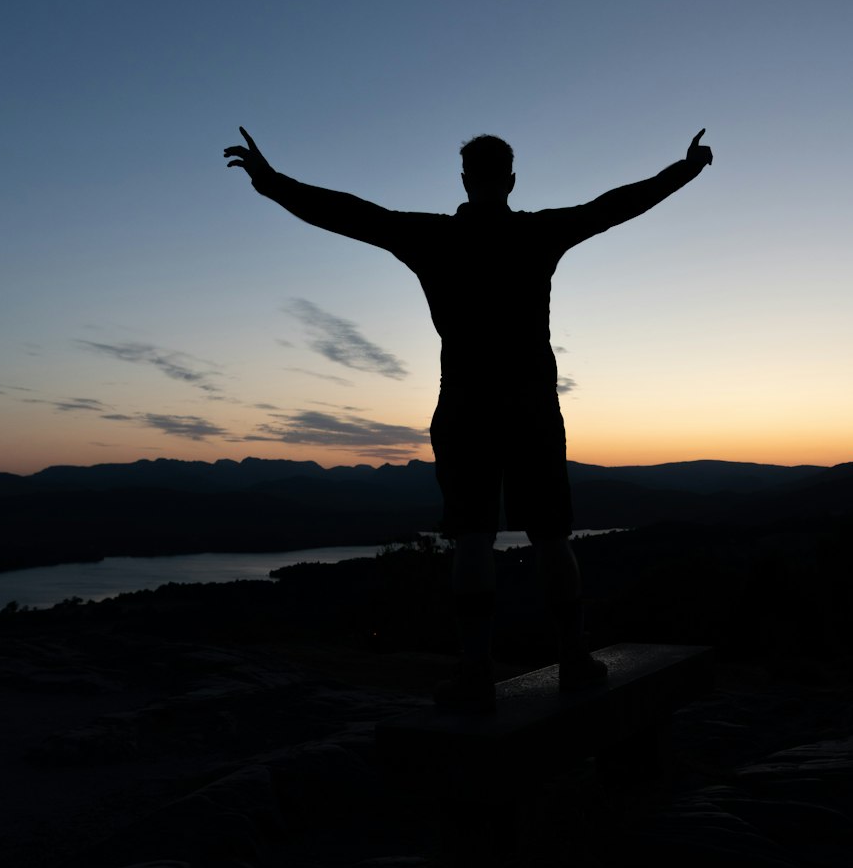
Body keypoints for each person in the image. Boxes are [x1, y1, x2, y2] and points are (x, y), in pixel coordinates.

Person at [225, 125, 713, 710]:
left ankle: (476, 672)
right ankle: (575, 659)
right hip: (532, 406)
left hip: (463, 405)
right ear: (510, 180)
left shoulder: (431, 237)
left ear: (463, 180)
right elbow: (613, 207)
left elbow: (349, 214)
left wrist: (270, 182)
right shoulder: (538, 233)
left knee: (473, 540)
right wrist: (683, 171)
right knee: (554, 536)